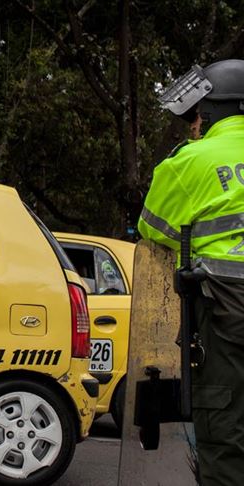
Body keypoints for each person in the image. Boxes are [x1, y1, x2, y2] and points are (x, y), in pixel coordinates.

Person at [137, 59, 244, 486]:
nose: (193, 125)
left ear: (213, 112)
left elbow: (152, 227)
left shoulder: (190, 163)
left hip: (225, 314)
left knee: (224, 425)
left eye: (196, 115)